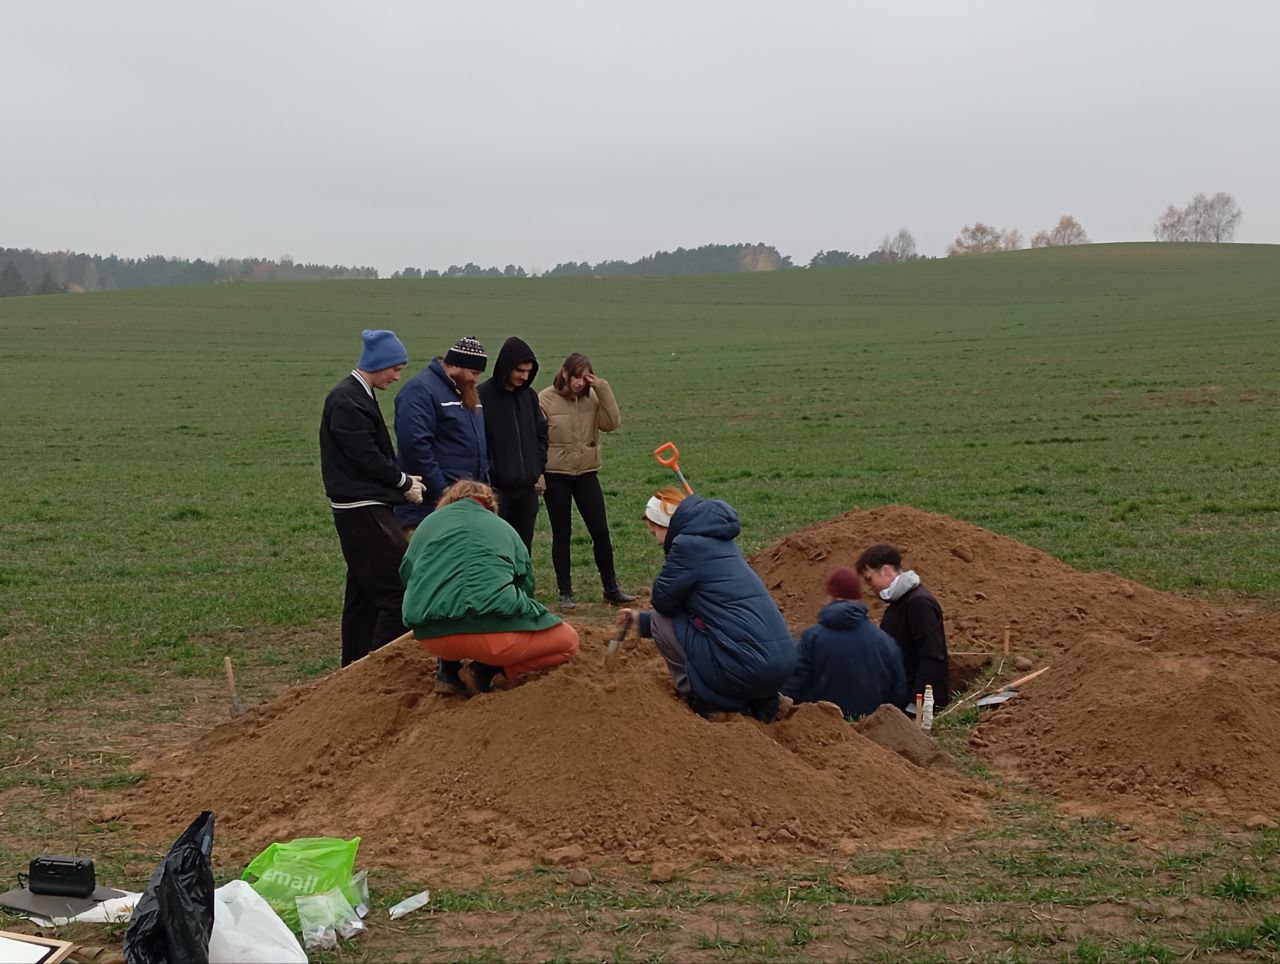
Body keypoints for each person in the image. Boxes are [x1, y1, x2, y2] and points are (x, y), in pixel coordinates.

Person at [618, 487, 797, 721]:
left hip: (749, 668)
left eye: (654, 532)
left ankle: (707, 700)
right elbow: (705, 615)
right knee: (718, 626)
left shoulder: (686, 547)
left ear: (662, 524)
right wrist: (639, 621)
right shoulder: (723, 544)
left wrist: (668, 569)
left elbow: (663, 603)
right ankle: (765, 702)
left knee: (662, 622)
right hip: (779, 665)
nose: (656, 541)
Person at [401, 479, 579, 696]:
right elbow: (525, 582)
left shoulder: (427, 524)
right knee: (568, 641)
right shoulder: (504, 527)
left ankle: (447, 672)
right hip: (492, 636)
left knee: (451, 610)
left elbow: (407, 573)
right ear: (489, 502)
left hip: (432, 637)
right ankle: (484, 670)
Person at [319, 329, 425, 667]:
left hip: (365, 506)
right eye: (395, 368)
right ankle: (380, 669)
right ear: (378, 364)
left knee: (363, 595)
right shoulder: (346, 400)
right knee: (399, 590)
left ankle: (351, 668)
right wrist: (403, 481)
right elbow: (364, 455)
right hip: (361, 510)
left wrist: (398, 484)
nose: (397, 376)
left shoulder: (358, 395)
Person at [538, 352, 634, 608]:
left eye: (585, 377)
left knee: (601, 531)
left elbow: (611, 424)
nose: (580, 383)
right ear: (565, 373)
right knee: (562, 534)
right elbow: (536, 439)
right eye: (576, 377)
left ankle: (611, 589)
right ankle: (565, 592)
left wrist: (602, 388)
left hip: (587, 474)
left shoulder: (592, 397)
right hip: (556, 476)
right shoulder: (545, 399)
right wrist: (538, 475)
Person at [782, 566, 908, 718]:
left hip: (819, 734)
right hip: (871, 735)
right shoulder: (885, 642)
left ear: (833, 597)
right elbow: (899, 695)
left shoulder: (812, 638)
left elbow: (793, 687)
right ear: (857, 598)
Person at [393, 335, 490, 534]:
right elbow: (415, 446)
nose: (476, 379)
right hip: (427, 509)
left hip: (464, 503)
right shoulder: (420, 391)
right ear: (455, 366)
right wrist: (444, 491)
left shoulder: (466, 391)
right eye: (473, 372)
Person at [855, 543, 951, 708]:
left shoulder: (918, 603)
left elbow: (932, 655)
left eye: (869, 578)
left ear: (886, 571)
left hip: (914, 704)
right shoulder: (901, 603)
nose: (869, 586)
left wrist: (916, 704)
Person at [478, 336, 547, 553]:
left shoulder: (530, 396)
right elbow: (476, 441)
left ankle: (521, 588)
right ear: (506, 366)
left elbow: (541, 433)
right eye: (519, 370)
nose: (524, 377)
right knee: (495, 550)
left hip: (527, 491)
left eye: (528, 372)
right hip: (496, 492)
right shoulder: (482, 396)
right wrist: (490, 473)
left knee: (522, 550)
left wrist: (537, 465)